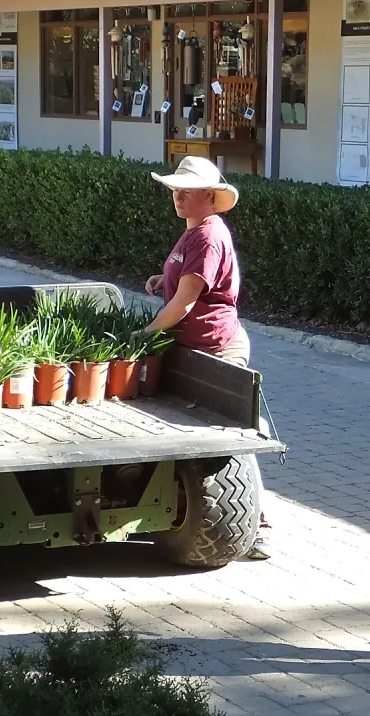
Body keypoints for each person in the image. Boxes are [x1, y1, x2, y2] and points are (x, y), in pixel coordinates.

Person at [142, 155, 271, 559]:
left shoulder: (209, 235)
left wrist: (143, 335)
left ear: (210, 198)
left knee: (232, 437)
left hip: (217, 350)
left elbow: (183, 304)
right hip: (194, 348)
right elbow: (187, 281)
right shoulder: (194, 232)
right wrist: (163, 279)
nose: (178, 196)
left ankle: (256, 525)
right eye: (175, 190)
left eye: (188, 191)